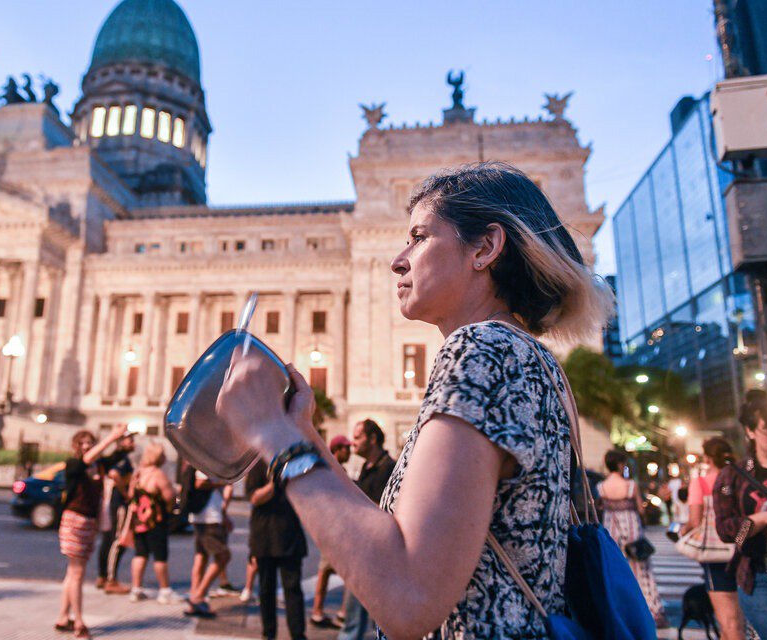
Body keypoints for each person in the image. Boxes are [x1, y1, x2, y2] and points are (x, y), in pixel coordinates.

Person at [216, 162, 614, 639]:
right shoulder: (530, 357)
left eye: (420, 237)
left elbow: (408, 595)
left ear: (485, 248)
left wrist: (274, 436)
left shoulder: (483, 351)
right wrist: (305, 436)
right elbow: (395, 538)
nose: (398, 260)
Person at [55, 426, 127, 639]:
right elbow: (85, 461)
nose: (86, 446)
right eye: (82, 443)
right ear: (75, 446)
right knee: (77, 573)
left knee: (73, 572)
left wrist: (122, 440)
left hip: (89, 522)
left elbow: (116, 456)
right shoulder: (74, 464)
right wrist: (111, 436)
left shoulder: (100, 466)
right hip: (74, 521)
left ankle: (62, 616)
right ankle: (79, 622)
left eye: (90, 442)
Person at [714, 390, 767, 638]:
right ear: (750, 431)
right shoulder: (734, 476)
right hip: (758, 575)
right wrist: (759, 520)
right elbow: (728, 533)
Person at [679, 438, 746, 640]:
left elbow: (695, 520)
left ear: (707, 458)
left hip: (717, 554)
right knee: (742, 618)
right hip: (744, 548)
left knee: (728, 621)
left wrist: (682, 531)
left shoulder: (701, 482)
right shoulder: (742, 478)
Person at [338, 421, 396, 640]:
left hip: (375, 555)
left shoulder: (388, 468)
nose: (353, 442)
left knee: (357, 624)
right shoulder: (368, 467)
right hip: (362, 551)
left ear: (372, 439)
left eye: (358, 437)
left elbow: (383, 509)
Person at [598, 450, 668, 627]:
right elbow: (641, 509)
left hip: (611, 530)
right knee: (641, 570)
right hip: (631, 530)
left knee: (615, 568)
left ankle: (620, 611)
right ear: (620, 464)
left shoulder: (601, 487)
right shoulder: (630, 486)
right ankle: (650, 611)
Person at [246, 459, 308, 640]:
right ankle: (268, 633)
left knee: (293, 589)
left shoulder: (293, 464)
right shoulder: (257, 465)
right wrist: (274, 483)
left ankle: (298, 635)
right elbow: (254, 498)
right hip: (264, 537)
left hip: (290, 537)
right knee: (266, 590)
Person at [128, 442, 178, 603]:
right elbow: (169, 496)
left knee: (140, 554)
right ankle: (164, 591)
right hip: (155, 520)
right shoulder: (158, 474)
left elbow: (130, 494)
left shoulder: (138, 474)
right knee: (160, 556)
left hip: (139, 520)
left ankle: (136, 589)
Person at [310, 435, 351, 629]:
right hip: (335, 529)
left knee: (326, 571)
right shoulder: (333, 469)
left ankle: (320, 611)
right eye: (346, 448)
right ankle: (331, 612)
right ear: (338, 450)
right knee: (335, 571)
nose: (349, 452)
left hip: (331, 528)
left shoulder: (330, 467)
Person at [184, 467, 233, 618]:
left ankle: (194, 597)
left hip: (204, 516)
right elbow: (200, 483)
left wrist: (224, 515)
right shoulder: (205, 462)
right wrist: (221, 483)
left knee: (201, 557)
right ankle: (198, 596)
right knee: (223, 556)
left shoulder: (202, 459)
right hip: (208, 518)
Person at [96, 433, 135, 594]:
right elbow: (115, 475)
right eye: (130, 440)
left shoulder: (120, 458)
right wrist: (126, 495)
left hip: (111, 503)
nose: (133, 443)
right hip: (117, 504)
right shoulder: (121, 459)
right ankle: (111, 579)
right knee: (117, 541)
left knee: (108, 540)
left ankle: (102, 576)